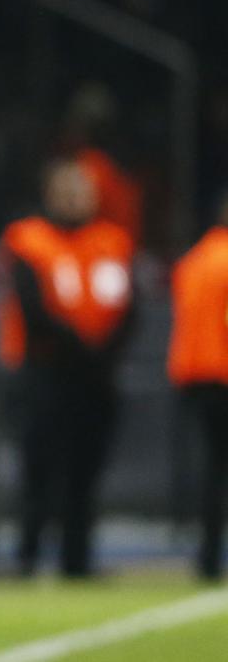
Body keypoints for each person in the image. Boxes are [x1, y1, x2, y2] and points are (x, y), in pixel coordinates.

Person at [0, 157, 135, 578]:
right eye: (67, 191)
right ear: (50, 195)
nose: (75, 199)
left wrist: (102, 354)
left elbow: (130, 310)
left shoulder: (113, 241)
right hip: (46, 372)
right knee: (39, 467)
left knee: (86, 470)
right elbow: (34, 309)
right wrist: (83, 349)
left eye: (82, 192)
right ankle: (27, 557)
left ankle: (78, 561)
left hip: (96, 376)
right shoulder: (29, 240)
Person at [167, 193, 228, 581]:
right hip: (223, 372)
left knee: (213, 470)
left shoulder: (194, 259)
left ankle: (208, 557)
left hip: (195, 376)